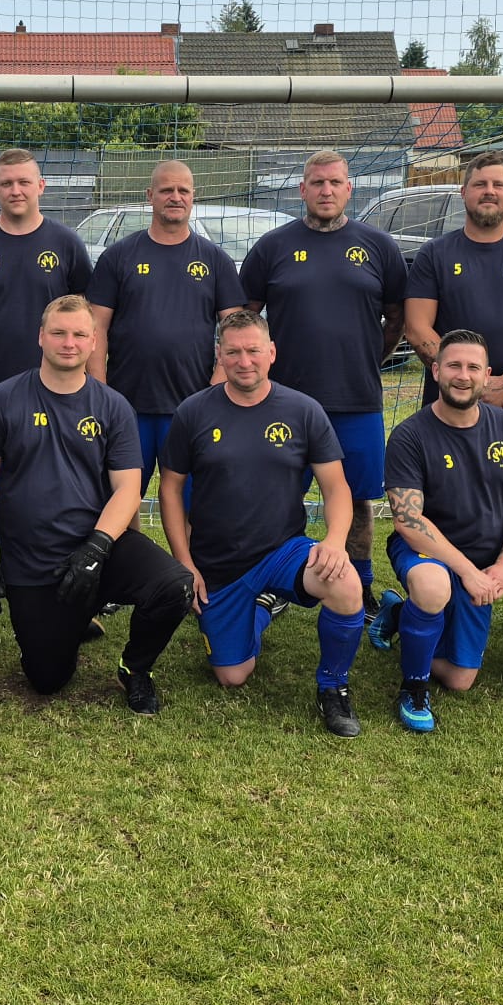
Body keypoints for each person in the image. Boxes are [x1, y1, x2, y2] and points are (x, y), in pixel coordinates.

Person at [0, 295, 193, 714]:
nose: (68, 343)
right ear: (41, 337)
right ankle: (72, 620)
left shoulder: (112, 405)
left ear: (93, 343)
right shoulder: (3, 399)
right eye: (58, 332)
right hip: (33, 557)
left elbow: (128, 487)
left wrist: (98, 546)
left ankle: (136, 668)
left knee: (174, 585)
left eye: (79, 335)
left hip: (99, 545)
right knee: (46, 679)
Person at [158, 310, 369, 737]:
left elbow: (336, 488)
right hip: (218, 564)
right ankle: (260, 607)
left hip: (282, 549)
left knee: (345, 583)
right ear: (219, 354)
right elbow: (169, 489)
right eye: (232, 352)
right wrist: (186, 564)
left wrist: (334, 540)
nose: (244, 361)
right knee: (232, 676)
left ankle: (333, 687)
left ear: (271, 352)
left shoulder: (303, 410)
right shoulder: (193, 412)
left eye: (253, 350)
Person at [401, 150, 503, 639]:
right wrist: (464, 376)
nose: (488, 191)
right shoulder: (436, 253)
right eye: (479, 184)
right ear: (464, 192)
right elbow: (416, 325)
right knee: (447, 494)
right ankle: (441, 581)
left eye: (498, 184)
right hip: (448, 400)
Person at [241, 148, 406, 615]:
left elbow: (396, 316)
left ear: (349, 188)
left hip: (356, 400)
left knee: (356, 500)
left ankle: (361, 581)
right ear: (302, 190)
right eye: (317, 183)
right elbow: (242, 318)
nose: (326, 190)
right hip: (284, 403)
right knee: (278, 497)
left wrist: (369, 358)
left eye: (335, 182)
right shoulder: (272, 247)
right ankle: (278, 580)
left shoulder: (379, 246)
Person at [377, 330, 503, 732]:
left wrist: (502, 568)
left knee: (460, 678)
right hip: (427, 553)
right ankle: (413, 688)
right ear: (435, 371)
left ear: (487, 376)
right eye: (453, 365)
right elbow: (408, 522)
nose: (462, 375)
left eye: (472, 367)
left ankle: (400, 615)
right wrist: (466, 571)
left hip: (484, 563)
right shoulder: (410, 435)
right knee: (434, 586)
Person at [88, 160, 247, 496]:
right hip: (128, 405)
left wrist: (214, 393)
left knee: (196, 502)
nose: (175, 197)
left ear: (193, 197)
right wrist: (101, 393)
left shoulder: (215, 260)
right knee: (118, 498)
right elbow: (95, 329)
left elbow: (234, 332)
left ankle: (189, 553)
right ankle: (120, 551)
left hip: (192, 407)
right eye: (166, 190)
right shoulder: (118, 256)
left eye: (183, 190)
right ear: (150, 195)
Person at [0, 148, 92, 430]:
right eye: (6, 184)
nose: (15, 191)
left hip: (55, 384)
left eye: (24, 182)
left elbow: (83, 314)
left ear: (40, 186)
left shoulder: (67, 244)